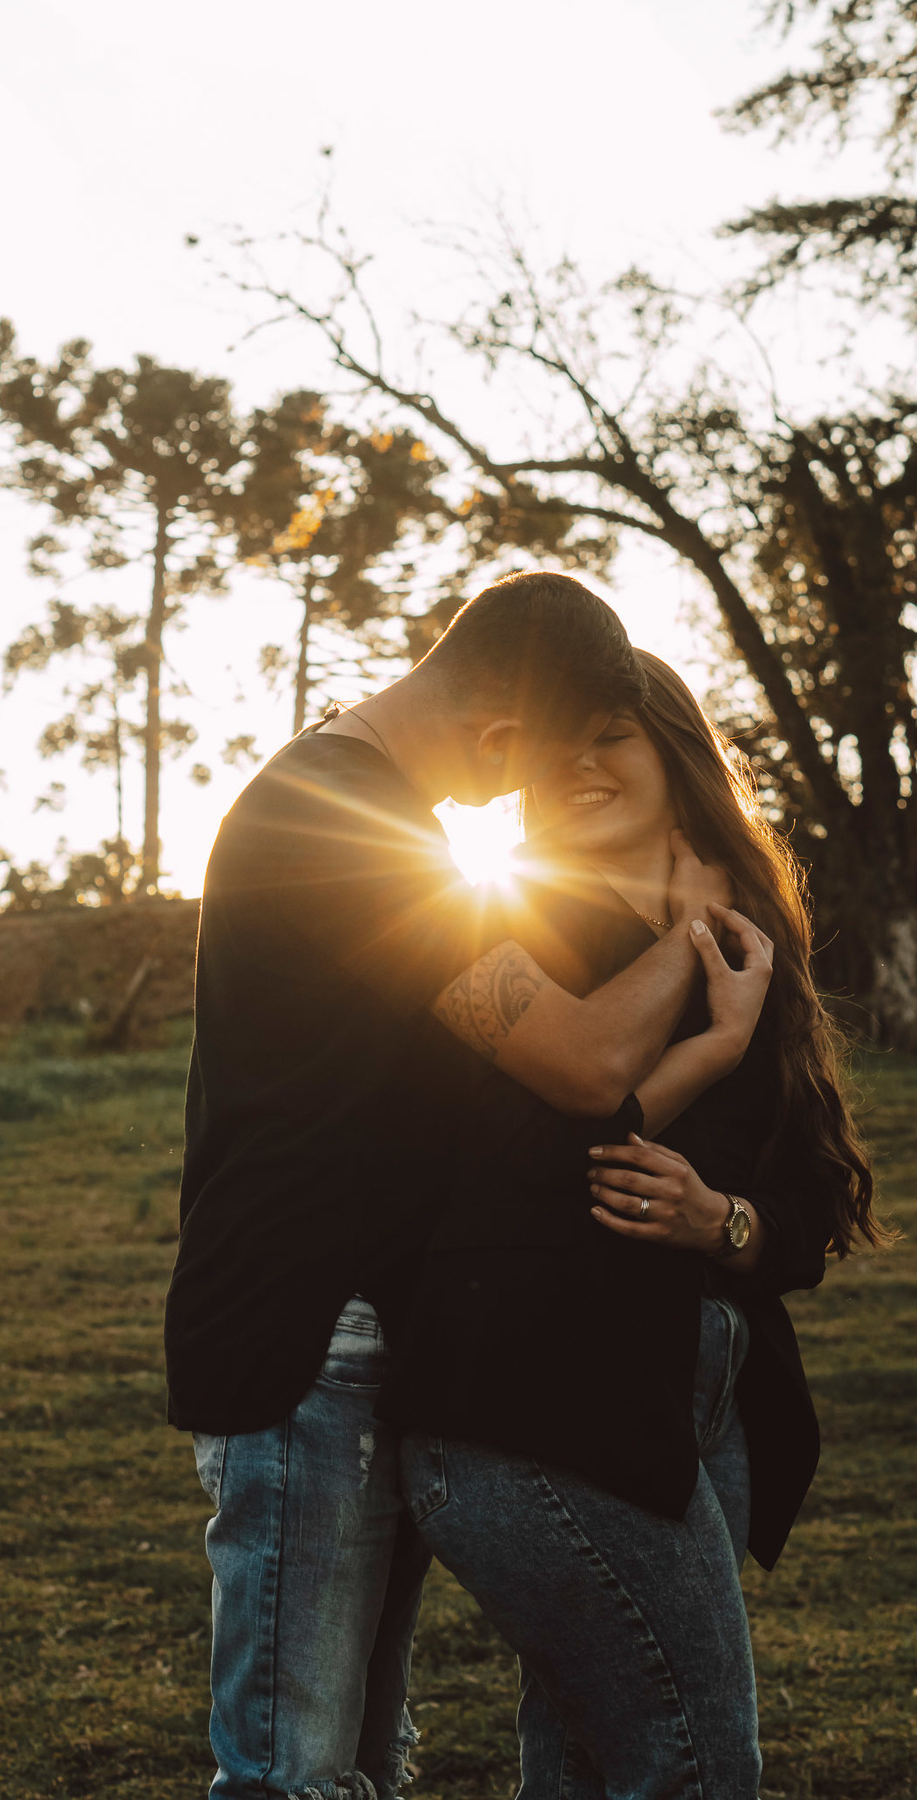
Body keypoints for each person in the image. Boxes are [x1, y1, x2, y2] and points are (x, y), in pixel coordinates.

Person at [164, 576, 735, 1800]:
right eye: (548, 754)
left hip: (364, 1341)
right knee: (291, 1773)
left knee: (364, 1761)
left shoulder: (361, 810)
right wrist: (698, 934)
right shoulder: (338, 822)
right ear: (496, 736)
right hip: (303, 1341)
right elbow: (583, 1061)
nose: (534, 792)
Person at [377, 651, 886, 1799]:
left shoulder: (759, 949)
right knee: (695, 1763)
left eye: (608, 732)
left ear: (674, 751)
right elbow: (525, 1173)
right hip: (532, 1403)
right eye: (550, 744)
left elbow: (810, 1205)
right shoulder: (487, 925)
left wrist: (725, 1222)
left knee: (594, 1764)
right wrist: (703, 1029)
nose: (576, 763)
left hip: (696, 1404)